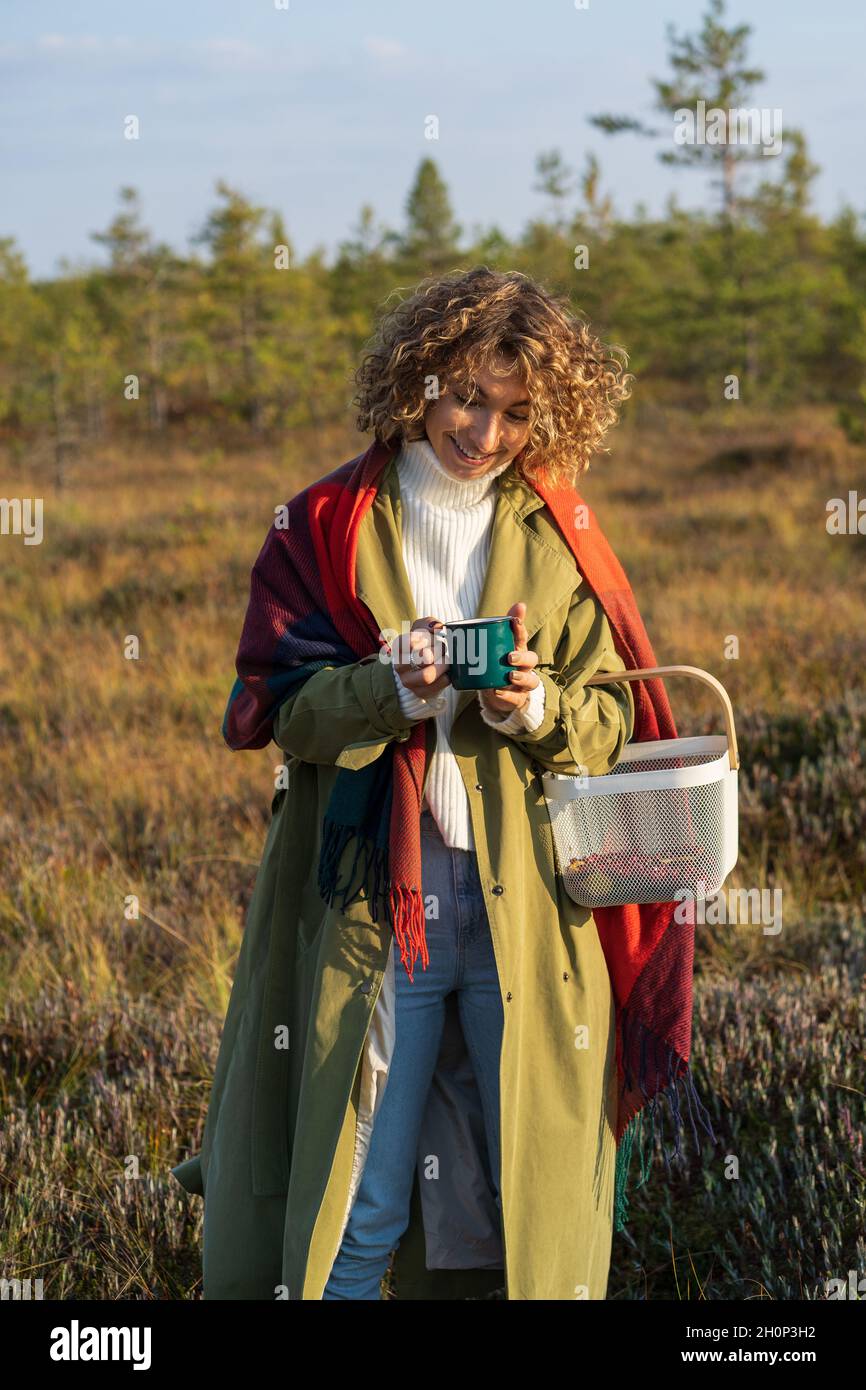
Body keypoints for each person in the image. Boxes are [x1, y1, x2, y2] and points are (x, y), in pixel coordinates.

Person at [171, 266, 703, 1300]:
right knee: (356, 1194)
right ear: (417, 376)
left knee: (526, 1200)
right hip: (376, 902)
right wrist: (386, 685)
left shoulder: (560, 530)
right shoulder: (325, 520)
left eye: (513, 411)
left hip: (535, 910)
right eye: (465, 395)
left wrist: (534, 707)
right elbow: (279, 710)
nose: (483, 431)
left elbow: (612, 721)